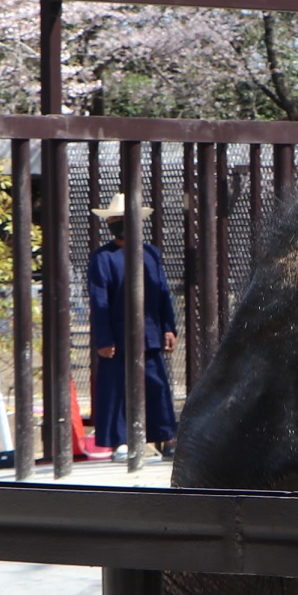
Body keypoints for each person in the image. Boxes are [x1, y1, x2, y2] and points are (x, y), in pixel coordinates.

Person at [85, 192, 178, 456]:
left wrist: (168, 327)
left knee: (157, 385)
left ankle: (165, 436)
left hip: (150, 333)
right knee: (116, 388)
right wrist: (103, 339)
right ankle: (121, 441)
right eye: (116, 218)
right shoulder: (102, 258)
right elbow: (99, 299)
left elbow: (162, 293)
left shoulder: (150, 253)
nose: (120, 222)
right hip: (117, 336)